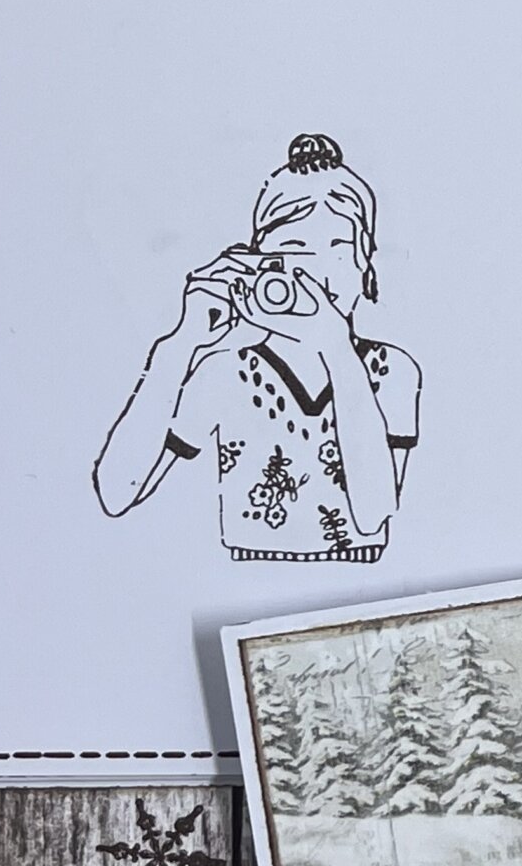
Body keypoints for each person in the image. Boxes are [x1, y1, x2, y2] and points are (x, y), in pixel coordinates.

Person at [94, 133, 420, 561]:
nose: (318, 275)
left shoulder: (390, 369)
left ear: (366, 264)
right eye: (295, 254)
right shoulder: (226, 371)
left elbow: (373, 516)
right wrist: (180, 344)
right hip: (245, 580)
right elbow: (116, 494)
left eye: (338, 248)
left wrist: (337, 351)